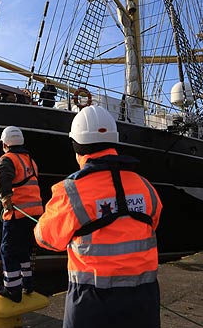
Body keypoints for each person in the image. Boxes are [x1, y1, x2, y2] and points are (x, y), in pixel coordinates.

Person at [34, 105, 162, 327]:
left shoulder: (70, 192)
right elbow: (153, 223)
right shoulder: (145, 187)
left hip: (91, 304)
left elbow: (46, 238)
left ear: (76, 146)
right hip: (144, 302)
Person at [0, 126, 44, 303]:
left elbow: (2, 177)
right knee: (24, 250)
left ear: (5, 143)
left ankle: (12, 289)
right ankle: (27, 284)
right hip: (35, 213)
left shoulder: (7, 159)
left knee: (8, 250)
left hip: (17, 213)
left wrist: (6, 198)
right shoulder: (30, 161)